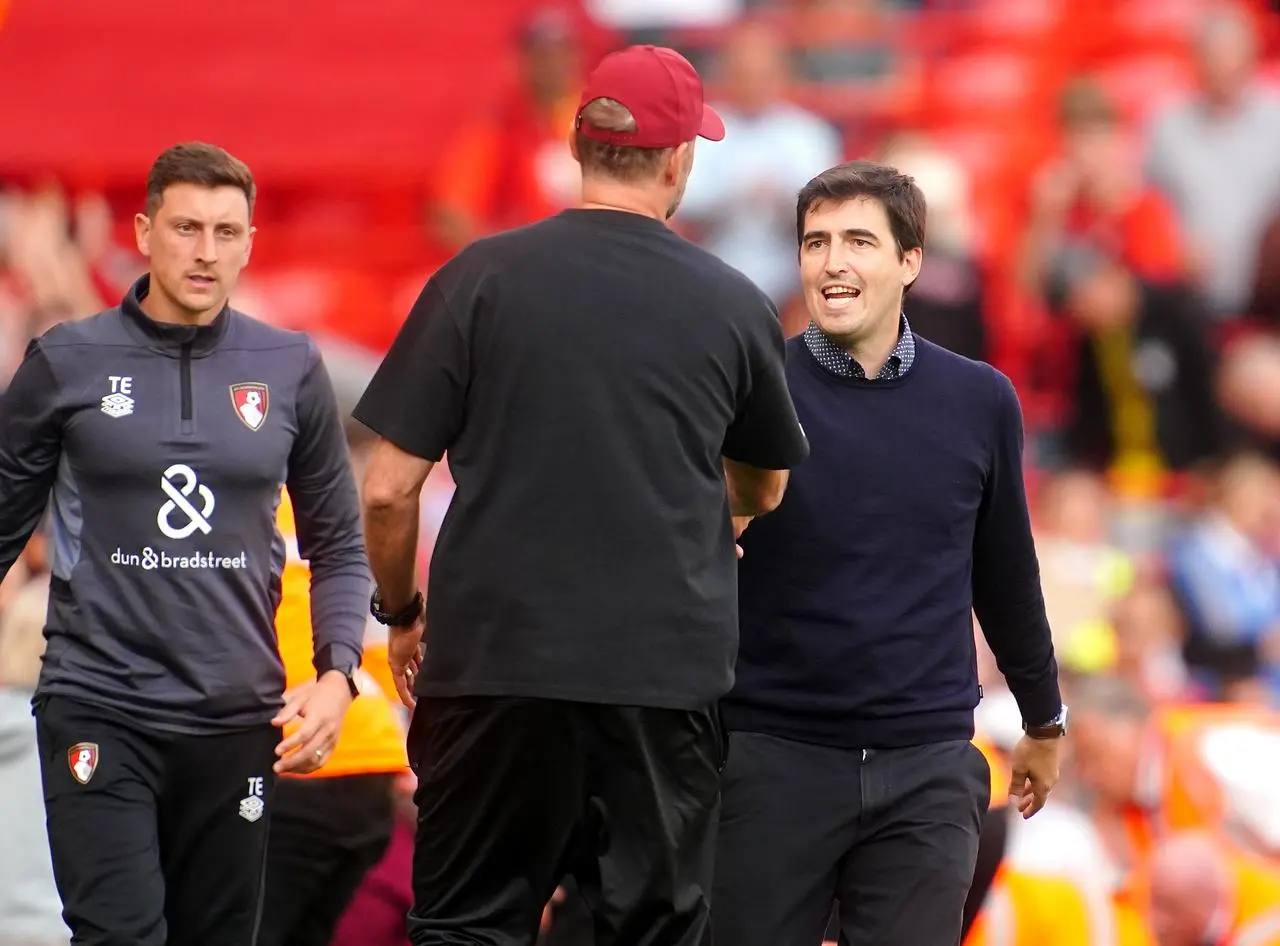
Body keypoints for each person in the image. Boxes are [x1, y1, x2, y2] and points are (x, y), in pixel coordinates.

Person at [352, 43, 810, 946]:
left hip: (493, 668)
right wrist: (721, 517)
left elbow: (387, 490)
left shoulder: (477, 278)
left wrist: (400, 612)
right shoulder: (732, 302)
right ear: (680, 160)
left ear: (577, 144)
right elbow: (766, 479)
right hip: (659, 676)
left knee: (466, 927)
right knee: (647, 931)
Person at [0, 142, 370, 946]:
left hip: (236, 720)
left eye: (226, 232)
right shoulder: (68, 362)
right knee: (120, 936)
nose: (206, 253)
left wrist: (338, 675)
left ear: (250, 241)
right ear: (142, 231)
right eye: (187, 228)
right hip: (100, 707)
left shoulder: (290, 367)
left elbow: (338, 541)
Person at [711, 160, 1066, 946]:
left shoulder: (980, 400)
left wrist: (1044, 716)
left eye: (858, 241)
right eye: (816, 242)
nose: (832, 262)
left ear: (910, 261)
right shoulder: (745, 387)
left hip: (927, 763)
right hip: (770, 756)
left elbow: (1005, 570)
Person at [257, 488, 410, 946]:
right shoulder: (326, 504)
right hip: (372, 758)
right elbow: (382, 648)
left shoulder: (233, 495)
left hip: (296, 756)